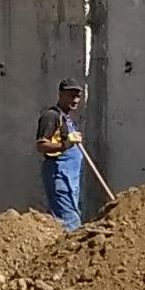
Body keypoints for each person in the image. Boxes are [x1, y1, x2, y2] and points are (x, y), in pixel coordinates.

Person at [37, 80, 98, 231]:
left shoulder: (67, 118)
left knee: (71, 215)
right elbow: (41, 145)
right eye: (71, 96)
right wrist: (66, 144)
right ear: (61, 94)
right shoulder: (51, 116)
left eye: (78, 96)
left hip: (71, 179)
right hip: (60, 175)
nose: (75, 100)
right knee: (70, 222)